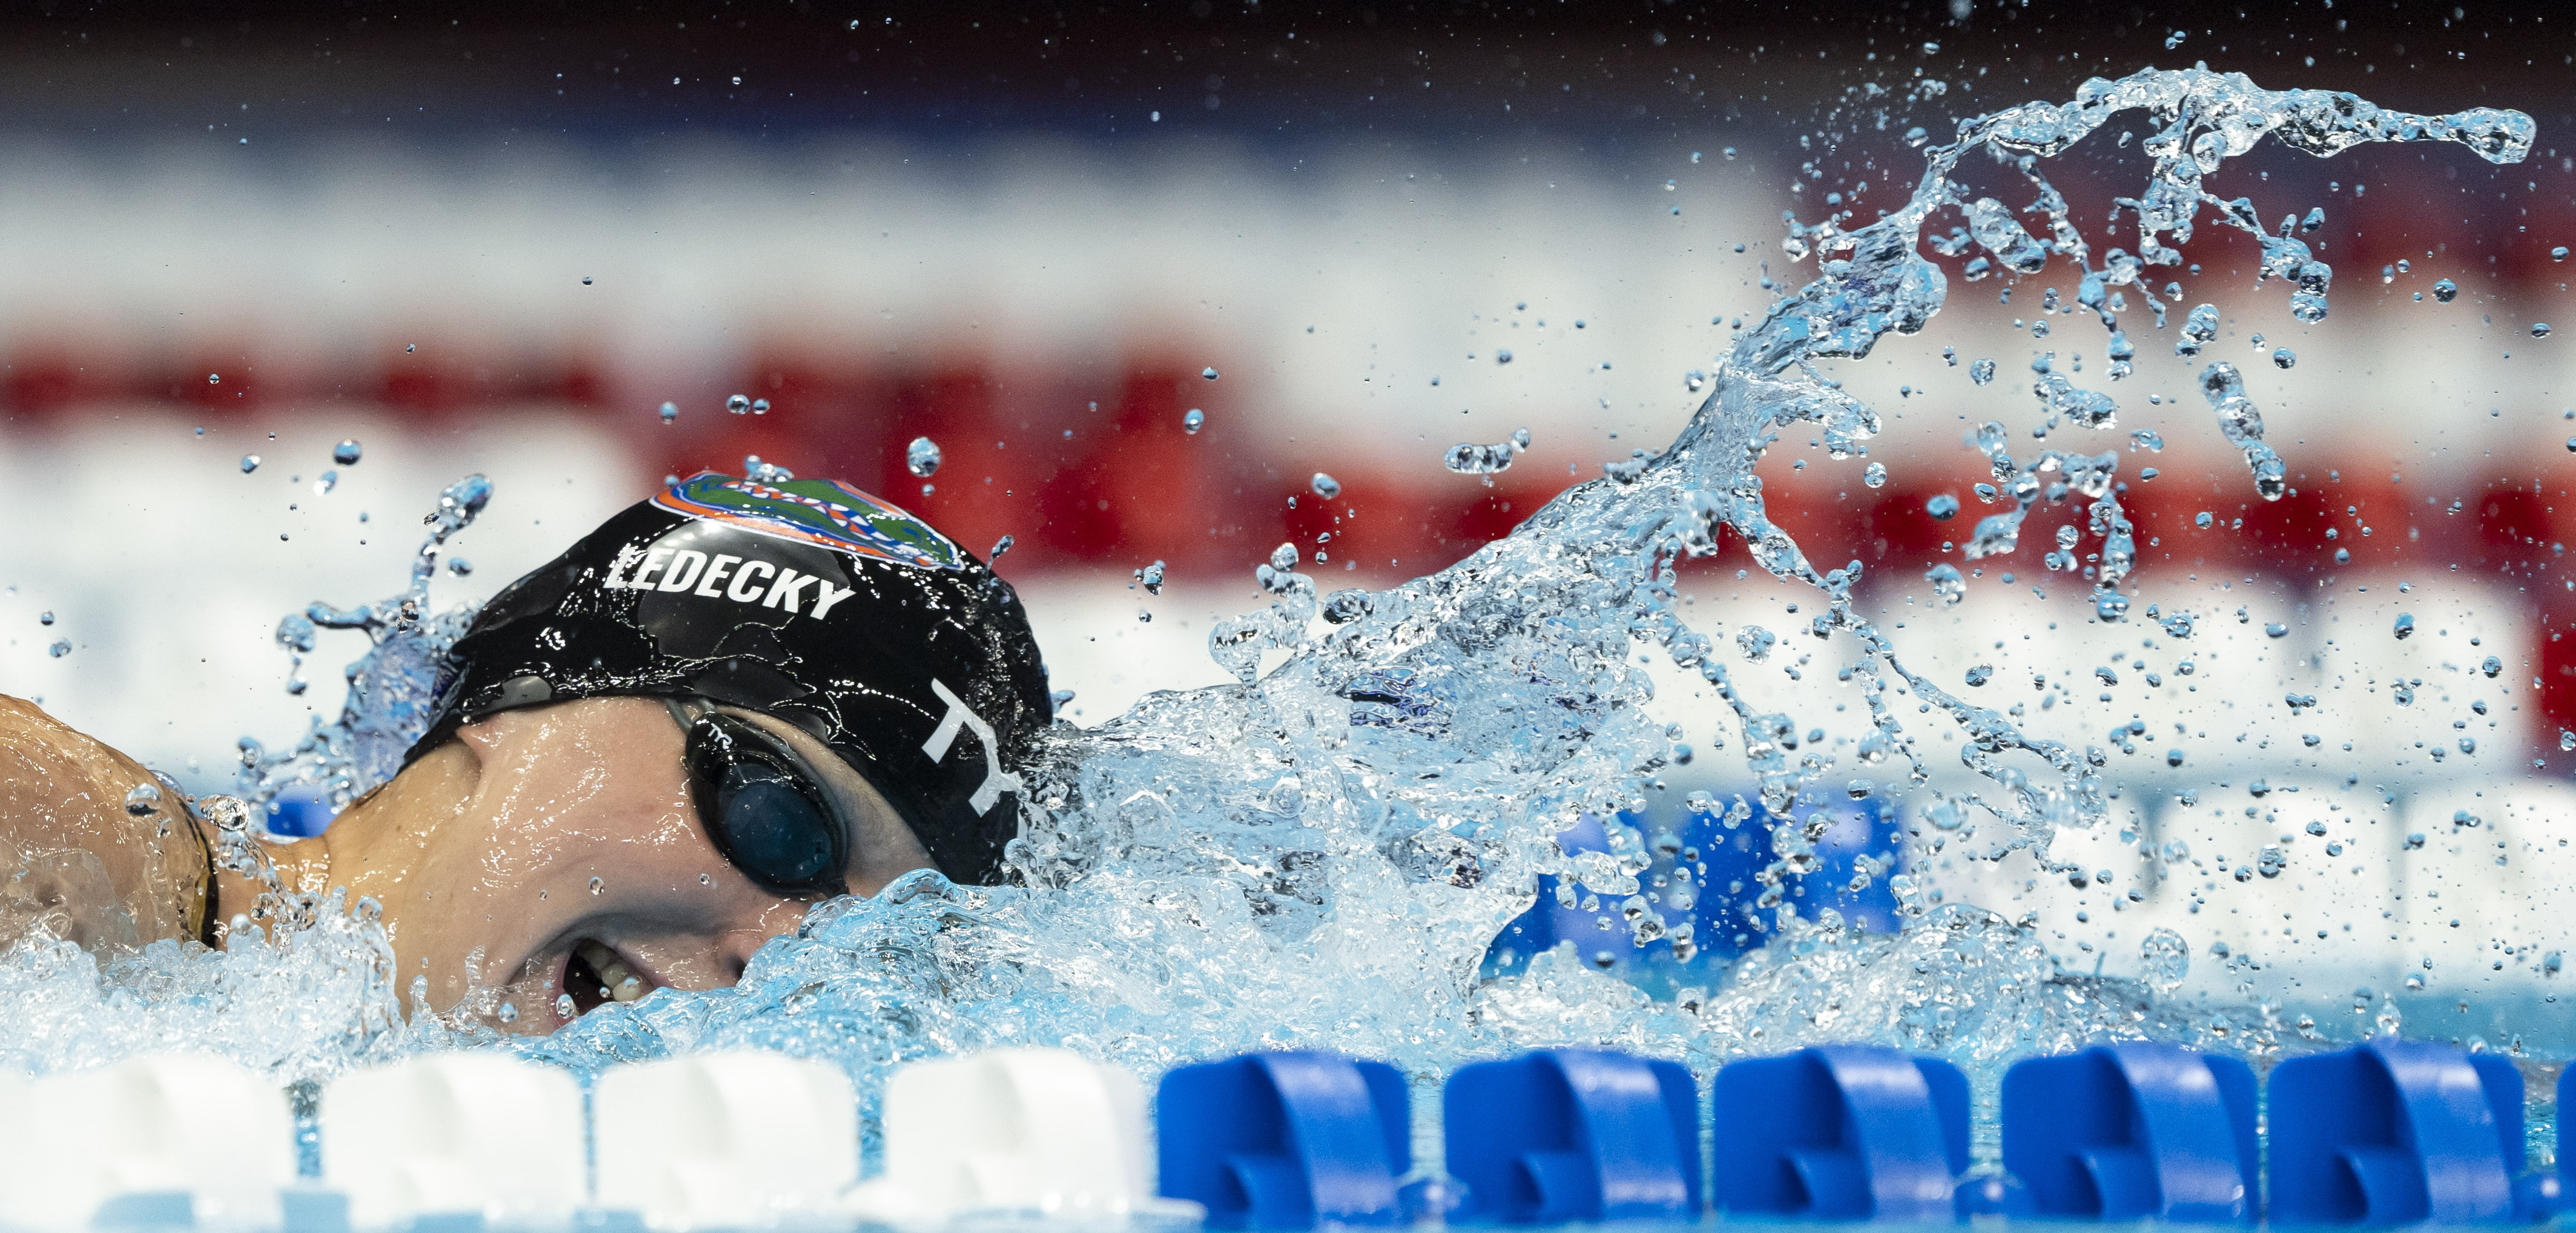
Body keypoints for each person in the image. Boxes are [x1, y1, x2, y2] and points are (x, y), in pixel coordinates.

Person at [0, 472, 1053, 1032]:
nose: (777, 962)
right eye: (781, 824)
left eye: (866, 946)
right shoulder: (88, 884)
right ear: (523, 695)